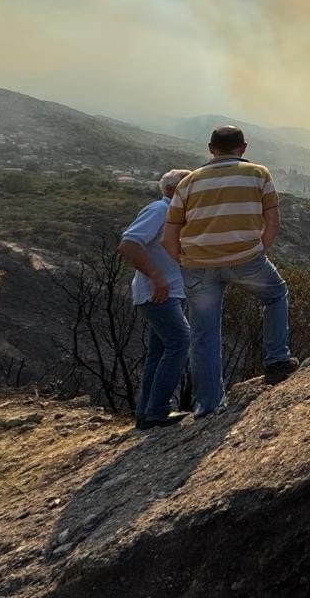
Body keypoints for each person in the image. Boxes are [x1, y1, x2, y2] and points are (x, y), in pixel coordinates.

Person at [163, 125, 298, 417]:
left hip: (197, 266)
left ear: (211, 149)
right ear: (244, 148)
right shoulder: (259, 174)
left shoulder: (188, 183)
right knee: (275, 295)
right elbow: (273, 223)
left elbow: (168, 236)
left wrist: (185, 263)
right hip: (245, 259)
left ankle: (208, 405)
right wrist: (257, 251)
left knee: (203, 333)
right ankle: (276, 360)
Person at [119, 168, 193, 429]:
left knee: (159, 351)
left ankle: (145, 413)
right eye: (188, 187)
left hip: (171, 292)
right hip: (159, 292)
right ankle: (159, 410)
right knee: (181, 341)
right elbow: (128, 244)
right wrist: (156, 276)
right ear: (173, 190)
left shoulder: (174, 216)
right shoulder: (158, 211)